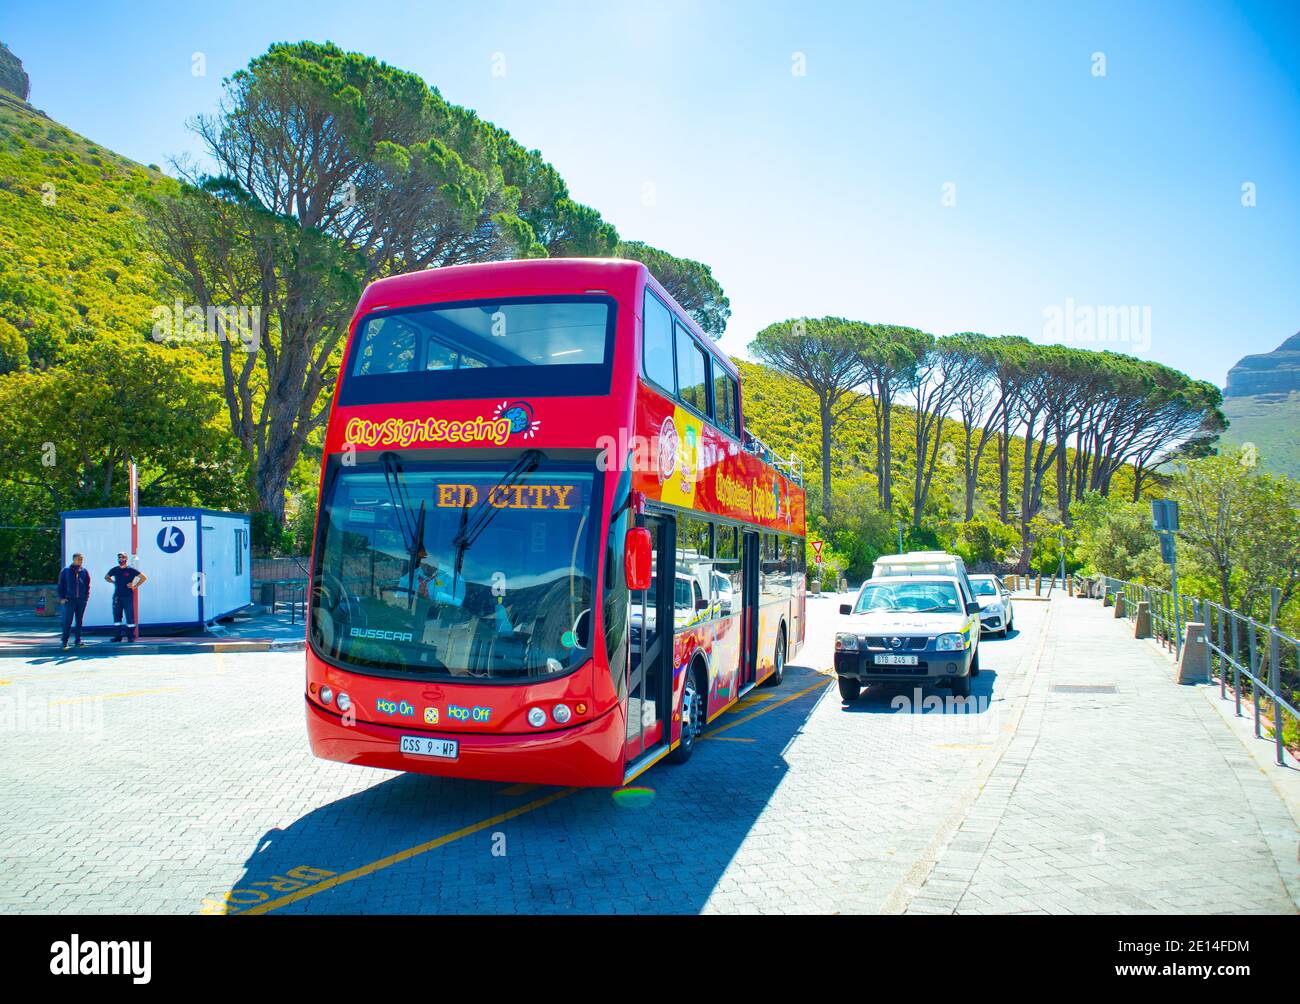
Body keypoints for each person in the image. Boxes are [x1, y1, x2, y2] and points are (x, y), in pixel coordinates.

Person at [105, 552, 147, 642]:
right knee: (117, 617)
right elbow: (106, 577)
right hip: (117, 596)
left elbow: (143, 577)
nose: (121, 559)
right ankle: (118, 637)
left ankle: (130, 636)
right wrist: (113, 582)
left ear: (126, 559)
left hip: (127, 596)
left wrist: (134, 585)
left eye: (123, 557)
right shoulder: (115, 570)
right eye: (119, 557)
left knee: (129, 616)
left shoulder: (130, 570)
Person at [57, 552, 91, 650]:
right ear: (73, 560)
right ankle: (65, 641)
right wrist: (62, 597)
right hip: (69, 600)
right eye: (78, 559)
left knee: (79, 621)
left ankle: (78, 641)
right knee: (68, 621)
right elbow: (61, 585)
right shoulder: (66, 571)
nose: (80, 561)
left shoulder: (84, 571)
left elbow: (87, 585)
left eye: (81, 559)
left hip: (81, 600)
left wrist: (86, 597)